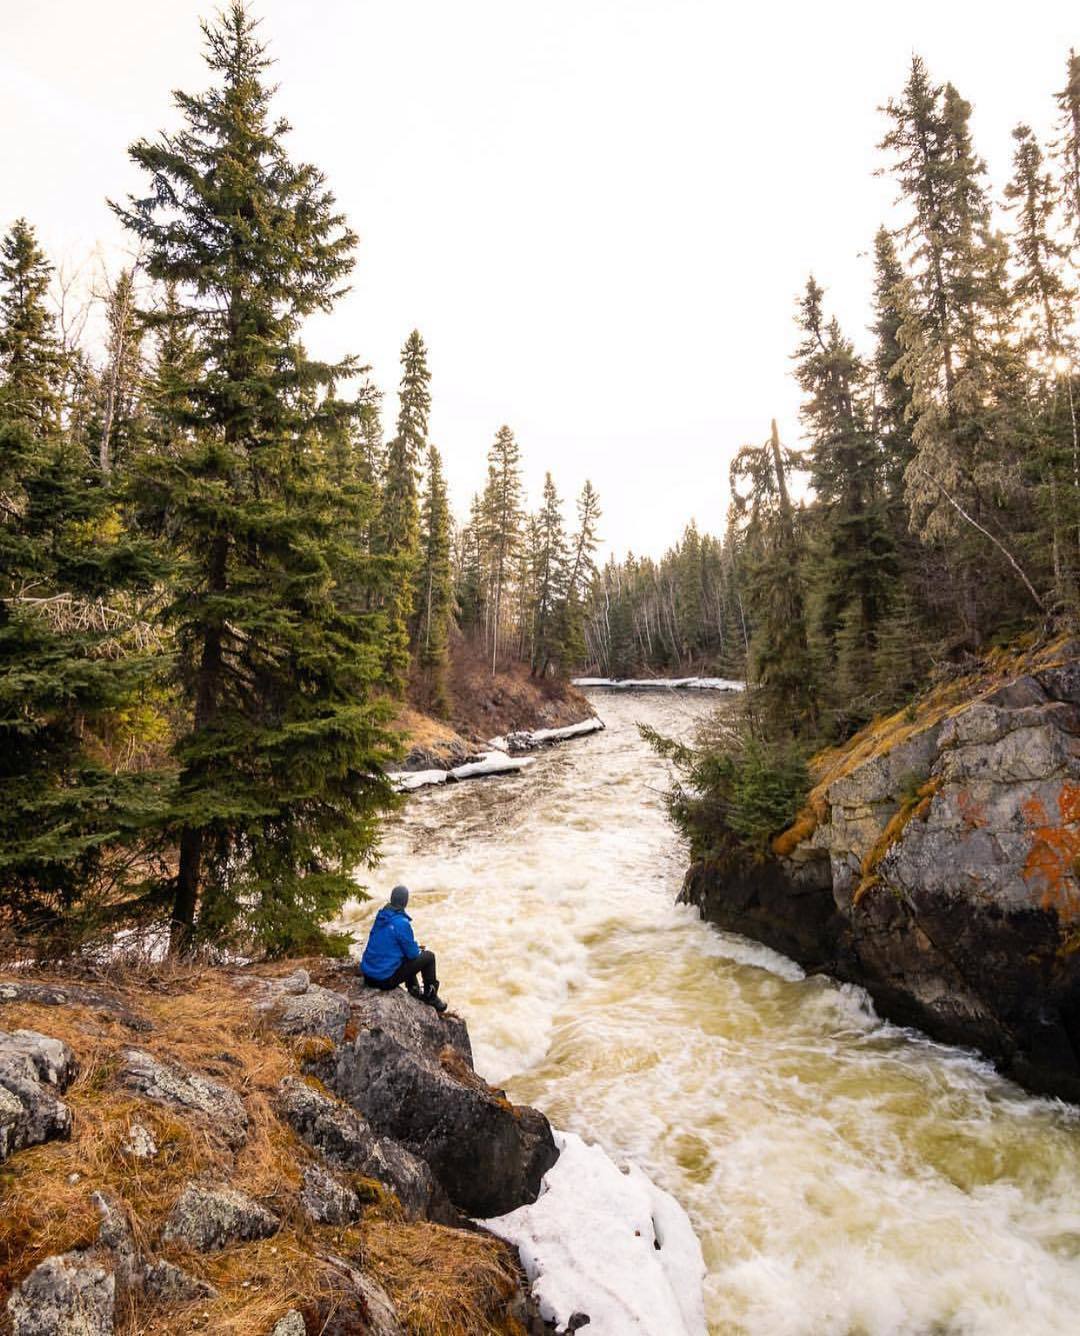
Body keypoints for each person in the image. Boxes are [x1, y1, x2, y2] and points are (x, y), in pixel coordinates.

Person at [359, 885, 447, 1012]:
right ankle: (430, 996)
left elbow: (389, 941)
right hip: (383, 980)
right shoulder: (401, 923)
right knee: (429, 957)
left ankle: (414, 989)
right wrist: (418, 949)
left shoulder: (382, 916)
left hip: (368, 976)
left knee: (401, 950)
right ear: (405, 902)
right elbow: (412, 954)